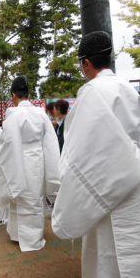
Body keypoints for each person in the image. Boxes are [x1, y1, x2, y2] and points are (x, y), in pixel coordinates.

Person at [51, 31, 140, 278]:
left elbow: (79, 149)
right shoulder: (130, 90)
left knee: (106, 253)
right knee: (133, 244)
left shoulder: (91, 92)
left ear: (86, 63)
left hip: (104, 184)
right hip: (135, 185)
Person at [0, 75, 60, 252]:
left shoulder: (13, 117)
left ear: (13, 95)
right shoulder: (40, 114)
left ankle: (20, 236)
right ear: (28, 94)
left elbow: (6, 144)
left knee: (19, 195)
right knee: (35, 198)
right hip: (37, 158)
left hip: (18, 158)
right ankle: (31, 235)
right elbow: (51, 142)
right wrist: (52, 167)